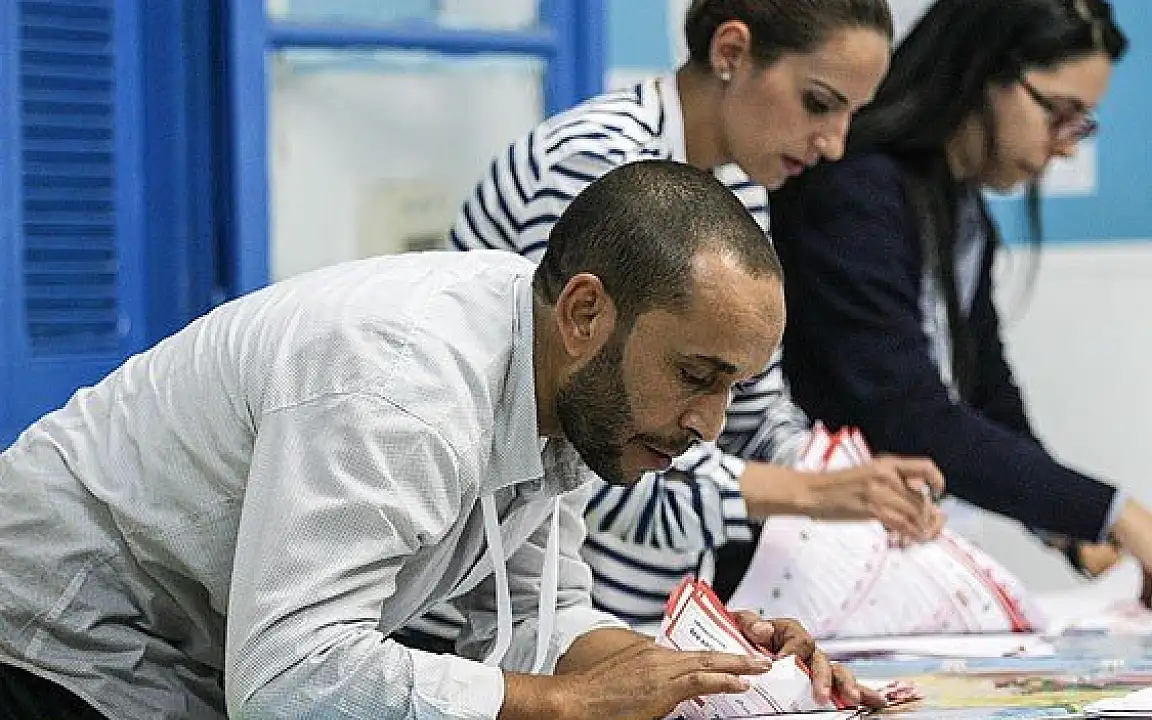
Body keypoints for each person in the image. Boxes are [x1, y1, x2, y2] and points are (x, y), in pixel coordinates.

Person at [0, 161, 878, 720]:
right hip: (62, 627)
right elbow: (288, 679)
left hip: (191, 647)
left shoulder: (565, 381)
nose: (710, 425)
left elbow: (538, 623)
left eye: (733, 387)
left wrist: (714, 675)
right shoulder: (405, 386)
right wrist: (568, 705)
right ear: (586, 313)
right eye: (695, 375)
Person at [441, 0, 944, 634]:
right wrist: (813, 495)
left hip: (621, 608)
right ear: (731, 52)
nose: (834, 144)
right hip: (487, 616)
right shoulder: (593, 160)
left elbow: (753, 414)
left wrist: (849, 480)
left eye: (852, 115)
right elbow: (594, 452)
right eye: (819, 103)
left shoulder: (741, 189)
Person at [769, 0, 1152, 606]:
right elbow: (910, 417)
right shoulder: (856, 192)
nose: (1066, 146)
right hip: (801, 563)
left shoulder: (961, 210)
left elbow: (987, 395)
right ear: (982, 71)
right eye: (1059, 113)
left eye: (1081, 123)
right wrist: (1114, 513)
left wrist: (1071, 531)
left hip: (885, 556)